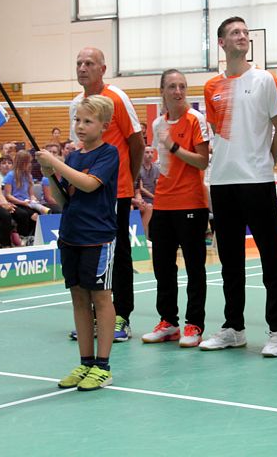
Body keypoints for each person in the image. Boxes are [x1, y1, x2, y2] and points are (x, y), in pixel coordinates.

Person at [199, 17, 277, 356]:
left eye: (245, 33)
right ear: (221, 43)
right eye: (234, 33)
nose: (242, 36)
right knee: (230, 261)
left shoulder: (265, 80)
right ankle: (233, 327)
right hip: (222, 182)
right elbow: (217, 134)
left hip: (257, 181)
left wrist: (266, 160)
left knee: (271, 259)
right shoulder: (211, 88)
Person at [37, 95, 119, 392]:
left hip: (96, 238)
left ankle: (103, 366)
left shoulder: (109, 154)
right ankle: (85, 362)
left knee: (100, 297)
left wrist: (56, 162)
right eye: (77, 120)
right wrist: (49, 176)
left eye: (88, 121)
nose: (80, 126)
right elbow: (65, 199)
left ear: (104, 126)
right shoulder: (73, 158)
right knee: (79, 298)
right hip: (70, 235)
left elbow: (89, 184)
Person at [69, 47, 145, 342]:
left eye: (89, 63)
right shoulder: (77, 103)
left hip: (116, 193)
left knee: (118, 256)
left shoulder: (117, 98)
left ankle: (121, 316)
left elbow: (136, 143)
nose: (83, 67)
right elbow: (79, 147)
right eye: (79, 63)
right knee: (88, 254)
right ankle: (92, 318)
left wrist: (129, 179)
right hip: (85, 193)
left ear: (103, 68)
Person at [141, 70, 211, 348]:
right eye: (172, 86)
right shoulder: (157, 123)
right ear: (163, 90)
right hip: (163, 204)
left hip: (191, 203)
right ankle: (168, 322)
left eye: (182, 86)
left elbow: (202, 161)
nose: (178, 91)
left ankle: (194, 324)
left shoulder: (196, 120)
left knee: (195, 268)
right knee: (163, 268)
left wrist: (174, 146)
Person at [2, 150, 45, 239]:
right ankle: (23, 237)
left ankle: (32, 237)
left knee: (37, 214)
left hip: (26, 203)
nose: (30, 164)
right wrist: (22, 202)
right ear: (22, 163)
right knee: (23, 214)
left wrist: (33, 199)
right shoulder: (10, 175)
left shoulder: (28, 176)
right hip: (15, 203)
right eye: (28, 162)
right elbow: (8, 195)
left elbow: (31, 194)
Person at [131, 146, 158, 240]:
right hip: (126, 199)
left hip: (138, 199)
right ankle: (135, 239)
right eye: (147, 152)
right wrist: (135, 200)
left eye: (151, 152)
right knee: (130, 207)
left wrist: (139, 200)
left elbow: (137, 190)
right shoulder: (136, 169)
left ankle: (140, 238)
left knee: (148, 207)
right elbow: (141, 189)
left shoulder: (137, 172)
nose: (150, 155)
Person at [41, 143, 64, 214]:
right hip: (49, 204)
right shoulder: (46, 178)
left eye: (54, 152)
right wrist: (62, 204)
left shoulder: (65, 178)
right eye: (50, 152)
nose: (51, 154)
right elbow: (48, 198)